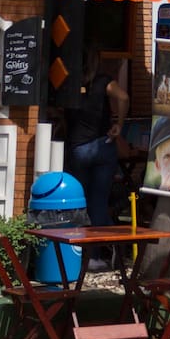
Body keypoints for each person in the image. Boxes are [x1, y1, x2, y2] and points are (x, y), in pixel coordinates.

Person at [60, 58, 128, 228]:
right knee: (99, 202)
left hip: (79, 148)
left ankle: (79, 249)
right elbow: (124, 97)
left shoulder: (67, 83)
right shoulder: (103, 81)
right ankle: (95, 252)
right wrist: (119, 125)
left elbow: (58, 110)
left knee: (78, 199)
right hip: (103, 144)